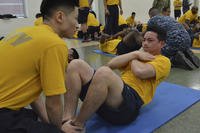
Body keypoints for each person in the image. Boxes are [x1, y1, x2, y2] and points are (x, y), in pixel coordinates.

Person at [61, 25, 171, 133]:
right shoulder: (137, 55)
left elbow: (140, 72)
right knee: (76, 64)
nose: (145, 43)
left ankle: (77, 126)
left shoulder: (163, 61)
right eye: (144, 40)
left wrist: (136, 56)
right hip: (114, 97)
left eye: (150, 40)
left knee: (104, 73)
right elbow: (110, 64)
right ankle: (67, 119)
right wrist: (136, 53)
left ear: (162, 43)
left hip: (129, 105)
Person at [0, 0, 78, 133]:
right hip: (3, 114)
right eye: (76, 18)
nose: (77, 24)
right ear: (60, 17)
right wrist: (58, 130)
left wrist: (47, 123)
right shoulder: (54, 44)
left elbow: (32, 93)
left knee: (32, 116)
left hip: (5, 107)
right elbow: (53, 103)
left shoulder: (23, 32)